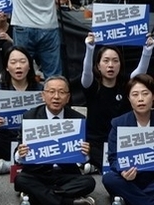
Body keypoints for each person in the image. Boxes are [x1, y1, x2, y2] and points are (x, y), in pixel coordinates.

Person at [13, 76, 96, 205]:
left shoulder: (77, 118)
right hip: (37, 174)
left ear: (68, 97)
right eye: (51, 92)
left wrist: (86, 153)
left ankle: (39, 196)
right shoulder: (30, 116)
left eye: (61, 92)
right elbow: (17, 156)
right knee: (20, 179)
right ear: (43, 95)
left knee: (89, 182)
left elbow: (84, 159)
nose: (56, 97)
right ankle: (68, 202)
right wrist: (20, 153)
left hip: (66, 174)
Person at [79, 33, 153, 174]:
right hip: (98, 142)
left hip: (123, 140)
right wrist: (89, 48)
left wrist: (147, 51)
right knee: (95, 154)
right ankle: (95, 164)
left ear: (120, 64)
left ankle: (96, 166)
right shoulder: (91, 86)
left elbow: (139, 74)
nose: (110, 65)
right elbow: (86, 73)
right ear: (98, 65)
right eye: (106, 61)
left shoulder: (126, 85)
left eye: (115, 61)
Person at [0, 46, 42, 174]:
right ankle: (21, 164)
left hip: (33, 139)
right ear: (6, 67)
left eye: (22, 61)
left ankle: (11, 165)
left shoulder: (40, 89)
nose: (18, 66)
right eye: (13, 62)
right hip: (7, 138)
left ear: (29, 66)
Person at [102, 74, 154, 205]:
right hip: (130, 178)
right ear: (129, 99)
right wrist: (123, 171)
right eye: (135, 94)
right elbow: (113, 158)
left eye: (145, 94)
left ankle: (131, 199)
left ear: (153, 96)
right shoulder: (118, 123)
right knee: (109, 178)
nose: (140, 99)